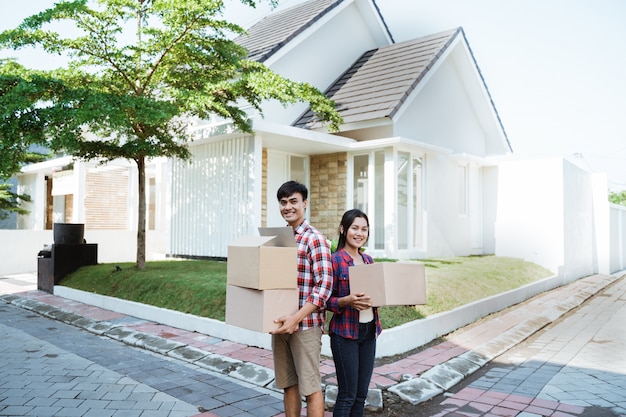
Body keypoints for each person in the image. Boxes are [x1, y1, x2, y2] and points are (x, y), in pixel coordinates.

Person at [270, 180, 333, 417]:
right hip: (282, 323)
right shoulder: (280, 239)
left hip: (305, 326)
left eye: (293, 201)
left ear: (304, 204)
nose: (288, 207)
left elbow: (325, 286)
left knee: (310, 387)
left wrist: (296, 318)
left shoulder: (313, 238)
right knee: (288, 384)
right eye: (283, 202)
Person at [327, 209, 382, 417]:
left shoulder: (369, 260)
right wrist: (346, 301)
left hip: (369, 333)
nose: (359, 233)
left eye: (364, 229)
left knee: (361, 395)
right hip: (345, 335)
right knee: (347, 394)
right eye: (355, 228)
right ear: (343, 229)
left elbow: (376, 296)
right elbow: (325, 301)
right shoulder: (335, 261)